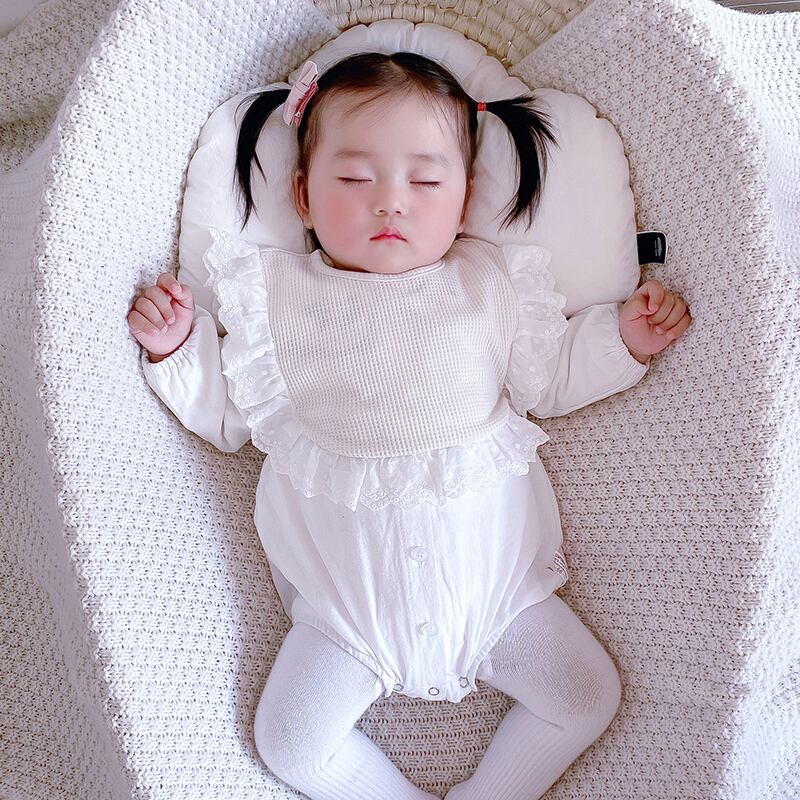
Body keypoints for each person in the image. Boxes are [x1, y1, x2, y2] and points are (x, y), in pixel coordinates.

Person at [127, 51, 692, 800]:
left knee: (587, 695)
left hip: (497, 597)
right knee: (289, 741)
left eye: (424, 182)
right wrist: (175, 350)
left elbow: (553, 376)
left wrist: (623, 339)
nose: (390, 203)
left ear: (463, 201)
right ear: (302, 196)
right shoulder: (275, 302)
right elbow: (227, 414)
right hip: (346, 616)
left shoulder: (489, 289)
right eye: (355, 180)